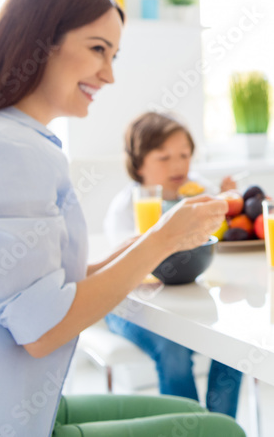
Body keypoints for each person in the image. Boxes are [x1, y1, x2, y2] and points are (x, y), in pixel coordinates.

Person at [0, 0, 244, 436]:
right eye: (98, 49)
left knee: (198, 417)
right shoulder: (7, 152)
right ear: (40, 41)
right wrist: (158, 242)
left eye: (113, 55)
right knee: (221, 431)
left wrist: (140, 249)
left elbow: (28, 290)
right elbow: (40, 331)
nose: (109, 74)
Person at [104, 111, 242, 417]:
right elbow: (130, 272)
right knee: (173, 349)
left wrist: (227, 201)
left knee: (235, 342)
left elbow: (221, 235)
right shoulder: (127, 208)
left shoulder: (198, 192)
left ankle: (220, 427)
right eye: (164, 158)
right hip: (129, 306)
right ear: (138, 165)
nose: (178, 165)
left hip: (185, 302)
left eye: (184, 155)